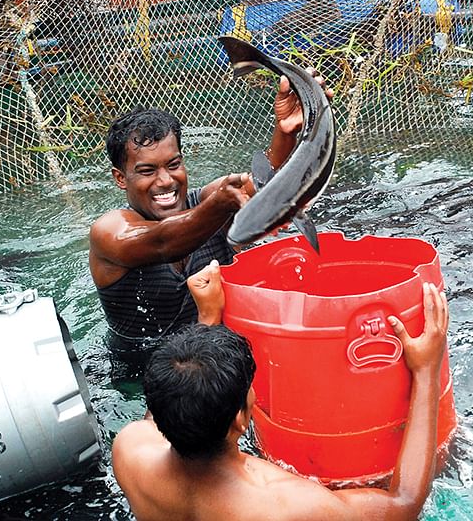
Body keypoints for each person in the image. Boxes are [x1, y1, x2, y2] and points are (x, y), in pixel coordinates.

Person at [112, 260, 450, 520]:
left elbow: (166, 407)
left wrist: (208, 315)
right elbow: (403, 504)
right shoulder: (289, 507)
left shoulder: (130, 450)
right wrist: (426, 371)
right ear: (240, 420)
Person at [89, 73, 332, 376]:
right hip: (142, 378)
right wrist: (222, 205)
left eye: (174, 165)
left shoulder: (210, 199)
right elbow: (164, 242)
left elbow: (267, 187)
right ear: (120, 178)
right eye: (147, 171)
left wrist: (286, 133)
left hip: (220, 361)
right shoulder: (109, 232)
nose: (165, 181)